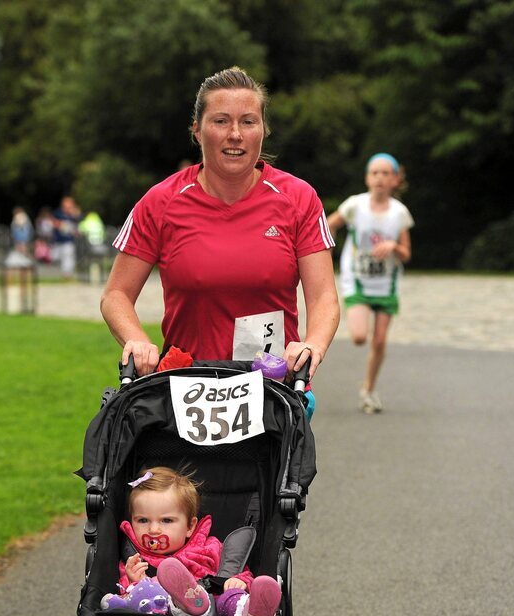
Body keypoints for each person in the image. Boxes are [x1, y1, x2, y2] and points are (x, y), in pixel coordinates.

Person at [101, 67, 339, 382]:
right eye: (221, 121)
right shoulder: (161, 202)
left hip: (273, 388)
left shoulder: (299, 199)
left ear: (263, 129)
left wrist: (313, 345)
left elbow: (324, 296)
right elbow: (115, 293)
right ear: (197, 130)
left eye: (248, 121)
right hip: (186, 391)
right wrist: (138, 341)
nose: (235, 134)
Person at [101, 467, 282, 616]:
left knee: (231, 596)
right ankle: (188, 603)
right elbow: (124, 598)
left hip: (218, 615)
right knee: (148, 593)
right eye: (142, 520)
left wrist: (240, 581)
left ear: (190, 526)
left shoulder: (209, 548)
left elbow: (238, 570)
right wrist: (134, 583)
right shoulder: (135, 560)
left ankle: (251, 615)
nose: (154, 529)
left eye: (166, 520)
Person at [326, 153, 414, 413]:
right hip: (358, 281)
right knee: (358, 337)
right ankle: (367, 388)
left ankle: (368, 389)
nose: (379, 178)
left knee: (379, 341)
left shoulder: (399, 213)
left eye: (386, 173)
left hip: (386, 284)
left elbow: (407, 253)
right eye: (375, 172)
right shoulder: (355, 205)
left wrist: (394, 246)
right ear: (367, 178)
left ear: (395, 180)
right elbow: (328, 224)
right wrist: (324, 258)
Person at [52, 195, 82, 278]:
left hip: (68, 241)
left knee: (68, 256)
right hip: (58, 240)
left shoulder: (74, 215)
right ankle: (58, 274)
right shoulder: (58, 213)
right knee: (55, 257)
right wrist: (63, 226)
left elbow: (78, 225)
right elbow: (54, 223)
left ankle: (67, 274)